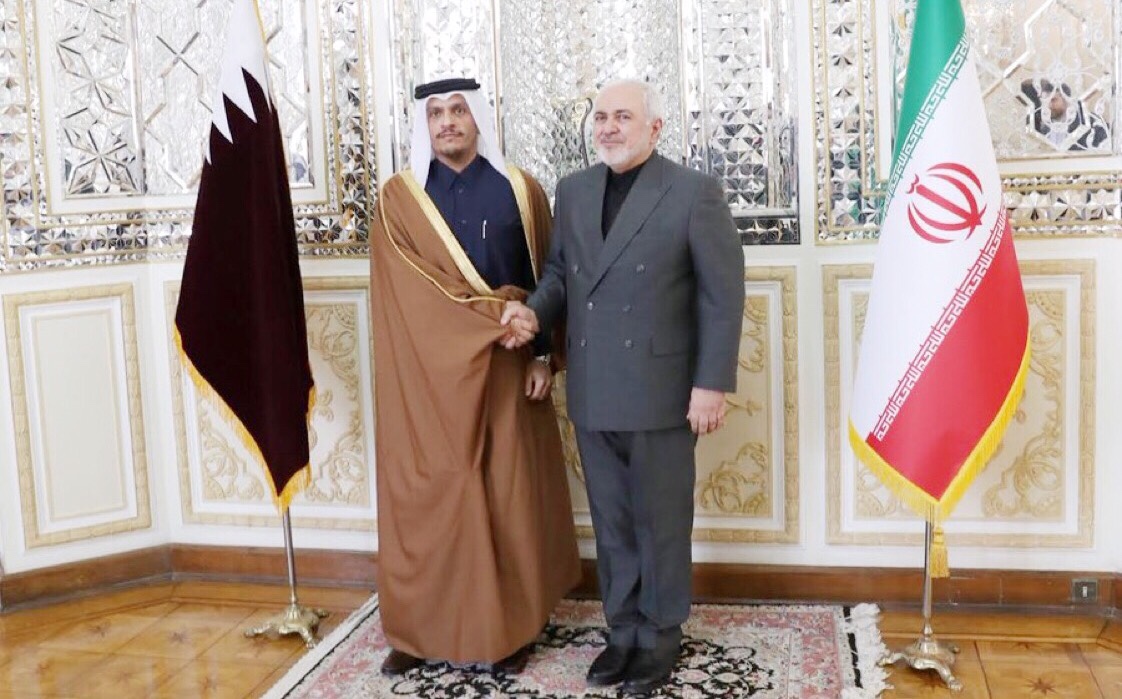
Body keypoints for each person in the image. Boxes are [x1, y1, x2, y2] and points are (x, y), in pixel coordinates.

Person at [501, 78, 745, 694]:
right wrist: (533, 314)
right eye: (601, 117)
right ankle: (624, 633)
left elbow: (722, 297)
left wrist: (711, 385)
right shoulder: (574, 190)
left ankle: (660, 636)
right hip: (594, 388)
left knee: (660, 522)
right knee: (612, 524)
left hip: (664, 390)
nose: (608, 127)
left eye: (623, 117)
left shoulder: (693, 192)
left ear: (655, 128)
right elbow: (560, 273)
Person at [368, 77, 580, 676]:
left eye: (457, 110)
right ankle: (418, 630)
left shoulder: (521, 190)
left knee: (507, 497)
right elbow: (410, 293)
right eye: (435, 113)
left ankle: (513, 628)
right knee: (430, 494)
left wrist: (543, 356)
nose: (447, 122)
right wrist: (494, 318)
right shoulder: (399, 199)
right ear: (424, 124)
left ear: (477, 116)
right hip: (428, 376)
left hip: (510, 365)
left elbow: (550, 279)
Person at [1019, 77, 1110, 151]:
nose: (1048, 105)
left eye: (1053, 100)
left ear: (1066, 100)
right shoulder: (1045, 127)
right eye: (1045, 101)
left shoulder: (1090, 123)